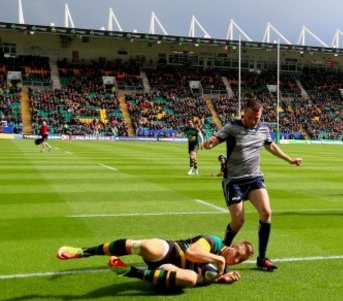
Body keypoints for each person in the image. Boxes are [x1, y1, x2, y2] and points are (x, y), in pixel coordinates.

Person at [202, 99, 303, 271]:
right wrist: (208, 144)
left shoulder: (263, 128)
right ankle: (223, 252)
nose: (253, 121)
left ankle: (262, 258)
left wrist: (290, 159)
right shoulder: (232, 127)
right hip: (234, 181)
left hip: (255, 178)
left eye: (256, 118)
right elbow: (214, 141)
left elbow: (271, 146)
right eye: (250, 117)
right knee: (238, 221)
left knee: (266, 212)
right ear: (244, 113)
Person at [57, 235, 254, 289]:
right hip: (172, 250)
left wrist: (220, 279)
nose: (236, 260)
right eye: (238, 253)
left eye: (241, 260)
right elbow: (193, 252)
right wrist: (218, 258)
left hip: (169, 269)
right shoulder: (215, 242)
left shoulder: (222, 268)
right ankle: (84, 252)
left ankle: (130, 272)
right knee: (145, 247)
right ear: (233, 246)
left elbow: (202, 279)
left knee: (191, 279)